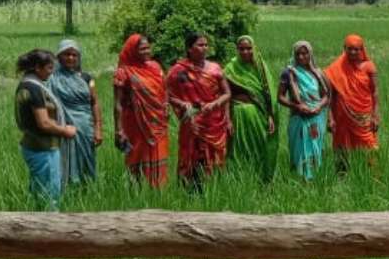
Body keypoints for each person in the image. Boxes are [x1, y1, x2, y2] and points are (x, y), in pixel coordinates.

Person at [167, 33, 231, 188]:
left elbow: (227, 93)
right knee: (192, 157)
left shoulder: (215, 68)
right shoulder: (178, 70)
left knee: (214, 159)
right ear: (189, 49)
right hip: (192, 121)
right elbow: (166, 95)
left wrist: (215, 104)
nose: (204, 48)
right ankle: (189, 191)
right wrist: (182, 104)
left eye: (206, 45)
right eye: (200, 45)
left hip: (213, 122)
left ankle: (213, 190)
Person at [14, 49, 76, 210]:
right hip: (42, 148)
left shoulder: (26, 84)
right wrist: (65, 131)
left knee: (39, 191)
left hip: (34, 146)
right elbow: (44, 123)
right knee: (50, 195)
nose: (51, 72)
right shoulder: (34, 88)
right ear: (37, 67)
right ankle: (48, 230)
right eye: (49, 68)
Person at [113, 34, 170, 188]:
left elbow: (164, 91)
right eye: (142, 49)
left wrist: (165, 107)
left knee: (159, 153)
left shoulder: (156, 67)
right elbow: (117, 103)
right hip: (135, 123)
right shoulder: (123, 72)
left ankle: (159, 191)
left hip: (158, 121)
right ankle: (137, 191)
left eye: (148, 48)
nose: (147, 51)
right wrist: (118, 130)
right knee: (138, 155)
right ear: (132, 51)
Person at [224, 35, 278, 182]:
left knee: (260, 146)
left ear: (254, 49)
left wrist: (270, 115)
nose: (245, 52)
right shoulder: (230, 68)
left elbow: (268, 93)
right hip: (238, 115)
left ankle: (261, 180)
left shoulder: (260, 67)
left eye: (248, 49)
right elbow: (226, 96)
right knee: (239, 149)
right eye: (241, 49)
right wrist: (228, 119)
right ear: (237, 50)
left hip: (258, 114)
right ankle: (238, 180)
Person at [48, 39, 102, 185]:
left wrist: (98, 128)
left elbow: (94, 102)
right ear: (59, 57)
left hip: (85, 127)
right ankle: (66, 190)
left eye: (74, 55)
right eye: (66, 54)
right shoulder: (52, 79)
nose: (71, 58)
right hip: (63, 127)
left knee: (87, 161)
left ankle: (86, 190)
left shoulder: (86, 78)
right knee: (63, 161)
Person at [324, 34, 379, 171]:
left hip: (364, 116)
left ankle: (373, 175)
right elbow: (330, 96)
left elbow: (374, 92)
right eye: (350, 49)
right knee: (341, 146)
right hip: (342, 116)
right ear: (344, 49)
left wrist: (375, 115)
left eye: (356, 49)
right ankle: (341, 176)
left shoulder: (368, 67)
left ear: (362, 49)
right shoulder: (336, 69)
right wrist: (330, 118)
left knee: (369, 146)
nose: (353, 52)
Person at [278, 41, 330, 180]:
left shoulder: (318, 73)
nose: (301, 57)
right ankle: (299, 179)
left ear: (310, 54)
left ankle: (314, 179)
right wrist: (297, 106)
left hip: (316, 118)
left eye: (305, 53)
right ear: (294, 55)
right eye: (298, 54)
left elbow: (326, 95)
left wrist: (318, 106)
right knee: (299, 149)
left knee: (315, 148)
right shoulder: (289, 73)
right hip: (298, 118)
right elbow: (280, 97)